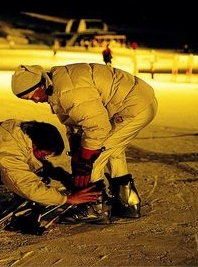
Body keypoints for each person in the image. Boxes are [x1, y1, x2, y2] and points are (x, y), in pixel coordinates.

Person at [11, 64, 158, 224]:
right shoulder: (57, 87)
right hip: (134, 101)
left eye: (33, 96)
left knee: (97, 155)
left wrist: (84, 161)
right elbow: (74, 124)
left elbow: (97, 126)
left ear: (40, 85)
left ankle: (95, 208)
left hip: (134, 106)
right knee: (112, 150)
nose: (35, 101)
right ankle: (128, 202)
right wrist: (76, 153)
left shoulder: (68, 91)